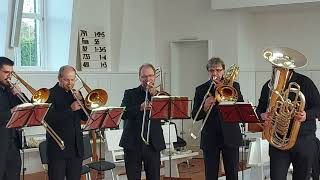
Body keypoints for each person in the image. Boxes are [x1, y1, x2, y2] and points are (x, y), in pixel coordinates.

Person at [256, 69, 320, 180]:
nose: (277, 68)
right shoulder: (268, 86)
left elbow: (318, 107)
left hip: (303, 140)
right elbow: (259, 109)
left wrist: (306, 115)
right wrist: (262, 115)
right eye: (275, 65)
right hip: (277, 141)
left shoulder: (305, 82)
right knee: (276, 177)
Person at [191, 57, 243, 180]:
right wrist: (204, 107)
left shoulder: (234, 85)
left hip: (230, 135)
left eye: (218, 70)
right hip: (210, 137)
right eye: (211, 70)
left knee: (232, 174)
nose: (215, 73)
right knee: (210, 174)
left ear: (223, 71)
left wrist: (225, 91)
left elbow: (240, 107)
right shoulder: (201, 89)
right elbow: (195, 115)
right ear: (208, 71)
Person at [119, 63, 166, 180]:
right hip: (133, 143)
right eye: (144, 76)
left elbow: (167, 116)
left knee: (154, 177)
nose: (148, 79)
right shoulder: (130, 93)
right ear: (139, 78)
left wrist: (155, 95)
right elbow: (123, 114)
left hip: (153, 143)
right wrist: (139, 107)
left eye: (150, 76)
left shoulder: (161, 95)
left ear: (155, 77)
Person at [45, 65, 88, 180]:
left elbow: (86, 117)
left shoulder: (76, 94)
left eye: (73, 80)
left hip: (75, 148)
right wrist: (70, 109)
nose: (70, 83)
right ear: (59, 78)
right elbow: (48, 119)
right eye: (66, 79)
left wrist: (83, 101)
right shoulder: (49, 94)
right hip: (57, 149)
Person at [0, 57, 22, 180]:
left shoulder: (9, 89)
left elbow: (27, 107)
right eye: (6, 72)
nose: (9, 76)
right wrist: (11, 112)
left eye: (11, 73)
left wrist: (19, 94)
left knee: (13, 175)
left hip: (12, 143)